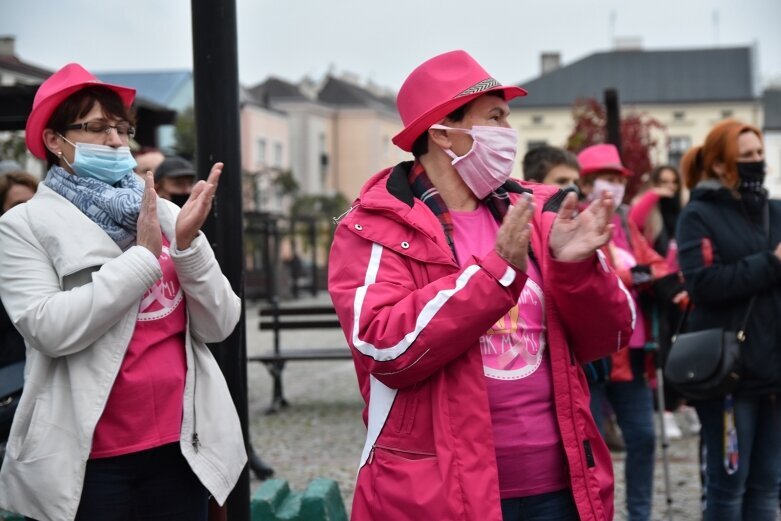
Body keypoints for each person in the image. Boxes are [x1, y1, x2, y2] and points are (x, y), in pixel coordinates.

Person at [327, 50, 635, 521]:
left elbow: (610, 338)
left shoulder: (540, 211)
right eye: (493, 118)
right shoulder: (374, 227)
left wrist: (576, 270)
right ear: (443, 132)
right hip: (444, 494)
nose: (508, 134)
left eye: (506, 118)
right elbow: (382, 349)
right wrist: (494, 273)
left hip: (561, 485)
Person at [0, 63, 246, 521]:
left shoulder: (166, 213)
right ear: (55, 140)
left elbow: (220, 325)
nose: (115, 141)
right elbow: (47, 328)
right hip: (91, 459)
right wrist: (142, 260)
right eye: (96, 128)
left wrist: (189, 247)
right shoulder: (23, 225)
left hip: (181, 444)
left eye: (121, 128)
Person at [676, 119, 781, 521]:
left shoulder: (775, 211)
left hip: (773, 370)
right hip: (728, 374)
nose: (758, 162)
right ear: (721, 165)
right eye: (748, 156)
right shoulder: (698, 215)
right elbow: (703, 284)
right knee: (728, 490)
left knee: (767, 488)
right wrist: (771, 263)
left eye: (760, 154)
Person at [577, 144, 683, 521]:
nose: (615, 186)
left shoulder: (623, 220)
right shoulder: (574, 217)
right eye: (607, 178)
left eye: (620, 179)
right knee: (586, 447)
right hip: (590, 355)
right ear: (586, 181)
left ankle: (639, 513)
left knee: (644, 438)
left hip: (634, 351)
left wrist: (641, 273)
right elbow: (589, 274)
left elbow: (650, 263)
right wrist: (631, 274)